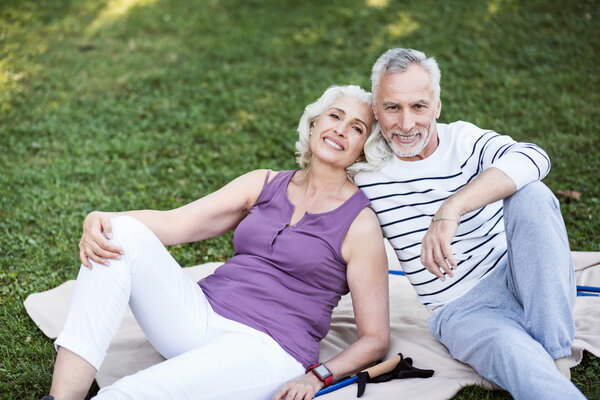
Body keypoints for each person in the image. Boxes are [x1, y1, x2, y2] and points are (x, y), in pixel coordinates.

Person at [43, 85, 390, 400]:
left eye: (357, 128)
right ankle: (61, 397)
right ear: (314, 124)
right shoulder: (264, 183)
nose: (341, 130)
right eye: (335, 116)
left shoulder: (360, 224)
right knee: (119, 232)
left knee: (137, 392)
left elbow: (375, 338)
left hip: (267, 349)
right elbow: (174, 223)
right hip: (199, 315)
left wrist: (317, 377)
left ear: (363, 152)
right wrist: (102, 218)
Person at [355, 48, 586, 400]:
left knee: (532, 194)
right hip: (464, 311)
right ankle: (544, 370)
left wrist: (453, 207)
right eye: (392, 107)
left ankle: (555, 356)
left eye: (418, 106)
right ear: (375, 109)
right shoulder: (364, 172)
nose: (405, 124)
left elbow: (534, 157)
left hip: (526, 277)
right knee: (515, 357)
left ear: (437, 106)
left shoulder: (463, 140)